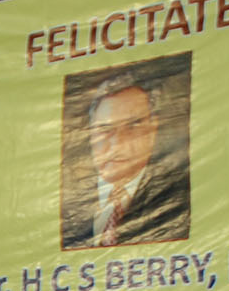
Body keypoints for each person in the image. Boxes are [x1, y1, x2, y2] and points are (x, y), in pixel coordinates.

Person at [65, 76, 189, 249]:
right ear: (90, 135)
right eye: (105, 129)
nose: (118, 142)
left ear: (153, 128)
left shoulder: (180, 198)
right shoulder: (68, 202)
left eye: (133, 126)